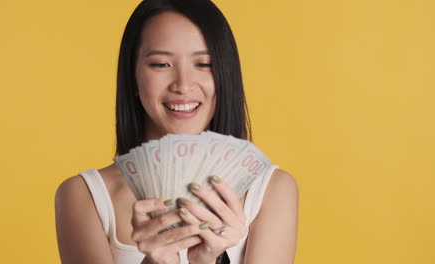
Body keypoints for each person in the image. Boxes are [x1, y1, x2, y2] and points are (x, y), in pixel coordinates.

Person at [54, 0, 299, 263]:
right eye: (161, 64)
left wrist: (207, 260)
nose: (183, 85)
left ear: (225, 76)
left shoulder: (271, 190)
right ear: (133, 78)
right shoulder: (84, 195)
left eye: (204, 64)